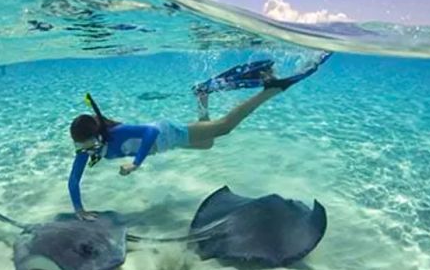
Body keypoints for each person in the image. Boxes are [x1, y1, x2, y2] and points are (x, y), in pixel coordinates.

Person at [68, 53, 332, 220]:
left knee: (225, 126)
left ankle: (270, 90)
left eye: (81, 142)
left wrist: (136, 163)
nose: (80, 149)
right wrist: (79, 210)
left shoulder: (116, 134)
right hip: (166, 144)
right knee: (207, 143)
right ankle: (202, 96)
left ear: (94, 135)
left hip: (166, 133)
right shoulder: (88, 150)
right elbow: (74, 180)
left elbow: (149, 132)